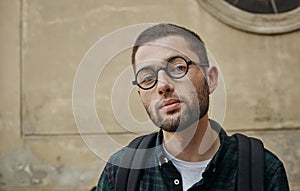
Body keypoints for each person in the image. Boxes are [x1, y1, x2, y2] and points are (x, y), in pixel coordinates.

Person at [96, 23, 289, 191]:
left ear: (210, 79)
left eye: (178, 68)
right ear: (141, 94)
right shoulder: (120, 171)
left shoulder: (263, 170)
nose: (162, 85)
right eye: (147, 78)